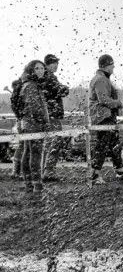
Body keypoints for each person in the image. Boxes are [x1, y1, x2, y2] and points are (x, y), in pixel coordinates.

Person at [89, 55, 123, 184]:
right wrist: (119, 103)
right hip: (103, 117)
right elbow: (103, 100)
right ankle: (94, 176)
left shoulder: (101, 78)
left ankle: (119, 170)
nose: (113, 67)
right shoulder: (101, 80)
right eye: (112, 65)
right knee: (102, 146)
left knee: (114, 144)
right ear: (106, 66)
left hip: (105, 116)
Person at [18, 60, 50, 195]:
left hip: (28, 123)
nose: (41, 71)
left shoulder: (29, 84)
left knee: (28, 153)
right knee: (35, 154)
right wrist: (45, 121)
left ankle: (29, 184)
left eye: (42, 68)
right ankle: (36, 184)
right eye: (37, 68)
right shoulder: (31, 86)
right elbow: (35, 107)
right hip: (34, 124)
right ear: (31, 70)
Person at [38, 54, 69, 181]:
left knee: (48, 144)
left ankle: (44, 171)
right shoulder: (49, 77)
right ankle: (48, 171)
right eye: (53, 63)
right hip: (52, 114)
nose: (56, 65)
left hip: (48, 114)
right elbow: (61, 91)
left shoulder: (44, 77)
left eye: (57, 63)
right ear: (47, 64)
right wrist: (65, 88)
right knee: (55, 142)